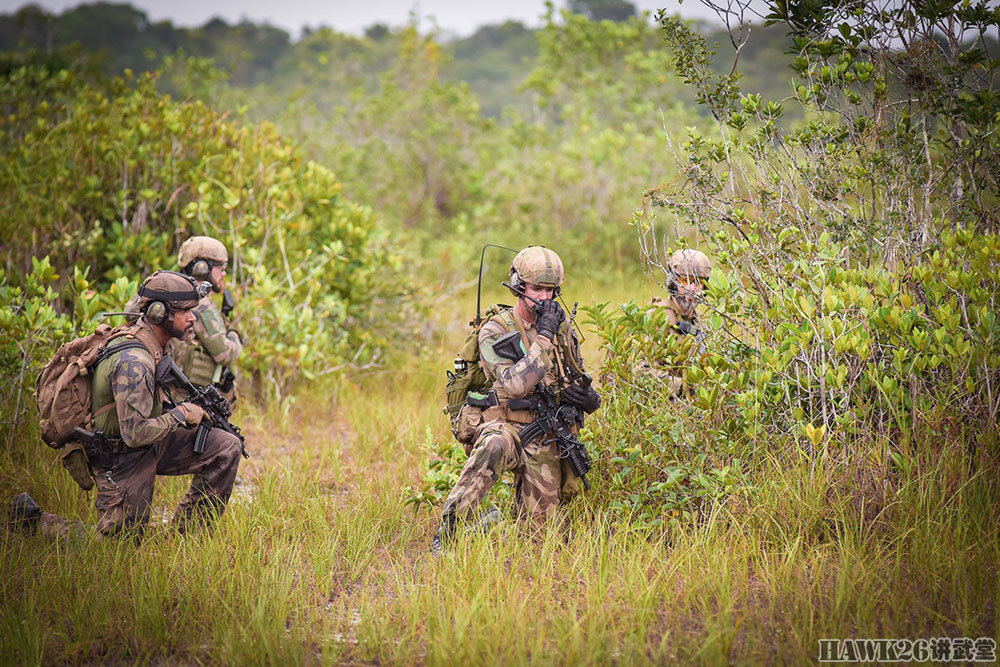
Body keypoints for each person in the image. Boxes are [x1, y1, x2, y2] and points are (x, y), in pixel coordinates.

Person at [9, 271, 245, 539]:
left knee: (226, 446)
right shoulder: (134, 361)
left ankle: (188, 537)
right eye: (186, 311)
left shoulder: (157, 344)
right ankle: (31, 520)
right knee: (118, 544)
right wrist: (181, 414)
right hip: (120, 456)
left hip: (148, 443)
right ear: (159, 312)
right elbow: (134, 433)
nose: (193, 317)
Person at [434, 246, 601, 549]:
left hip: (545, 435)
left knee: (539, 542)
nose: (545, 298)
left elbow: (573, 378)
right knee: (494, 444)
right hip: (506, 426)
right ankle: (449, 529)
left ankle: (492, 525)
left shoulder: (562, 330)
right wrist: (544, 337)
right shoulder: (495, 329)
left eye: (551, 290)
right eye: (537, 289)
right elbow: (515, 385)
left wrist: (589, 398)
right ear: (518, 286)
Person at [125, 236, 242, 404]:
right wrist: (234, 335)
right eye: (220, 267)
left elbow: (130, 312)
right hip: (184, 396)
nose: (223, 273)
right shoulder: (200, 304)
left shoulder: (163, 288)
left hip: (163, 390)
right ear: (202, 268)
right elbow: (224, 354)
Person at [634, 248, 712, 395]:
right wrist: (684, 387)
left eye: (698, 282)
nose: (692, 288)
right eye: (685, 280)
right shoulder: (656, 317)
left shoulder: (704, 324)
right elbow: (640, 372)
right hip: (662, 406)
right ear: (673, 282)